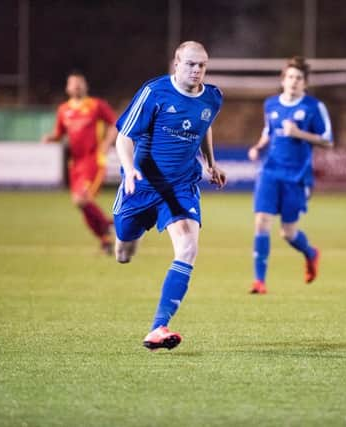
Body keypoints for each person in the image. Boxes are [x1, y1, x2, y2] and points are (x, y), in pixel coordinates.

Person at [113, 41, 226, 351]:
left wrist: (210, 164)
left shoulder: (213, 97)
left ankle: (158, 327)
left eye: (201, 65)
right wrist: (128, 168)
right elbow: (124, 136)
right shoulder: (155, 92)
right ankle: (125, 245)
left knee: (188, 247)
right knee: (124, 248)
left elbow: (205, 127)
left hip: (179, 188)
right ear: (176, 63)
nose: (196, 70)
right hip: (142, 185)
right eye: (190, 64)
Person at [247, 56, 333, 295]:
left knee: (288, 232)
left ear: (305, 83)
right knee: (261, 221)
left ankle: (311, 253)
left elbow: (328, 141)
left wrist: (299, 133)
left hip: (296, 176)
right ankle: (259, 281)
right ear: (283, 80)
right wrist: (257, 147)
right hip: (269, 171)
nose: (294, 82)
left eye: (299, 78)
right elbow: (268, 132)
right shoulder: (271, 104)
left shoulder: (313, 107)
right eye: (291, 77)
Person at [42, 71, 118, 254]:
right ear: (67, 88)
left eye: (79, 83)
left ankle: (113, 225)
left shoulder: (96, 105)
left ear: (85, 86)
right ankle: (105, 238)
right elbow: (59, 133)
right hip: (75, 164)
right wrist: (50, 138)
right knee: (83, 205)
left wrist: (107, 143)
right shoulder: (63, 110)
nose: (76, 86)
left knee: (80, 200)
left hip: (93, 160)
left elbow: (116, 123)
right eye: (73, 83)